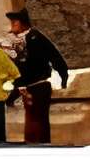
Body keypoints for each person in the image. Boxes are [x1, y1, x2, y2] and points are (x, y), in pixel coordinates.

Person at [5, 8, 68, 144]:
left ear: (21, 23)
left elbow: (52, 58)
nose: (11, 26)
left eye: (13, 22)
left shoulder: (34, 38)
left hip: (37, 88)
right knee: (36, 128)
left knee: (37, 128)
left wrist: (64, 78)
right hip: (33, 88)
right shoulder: (27, 39)